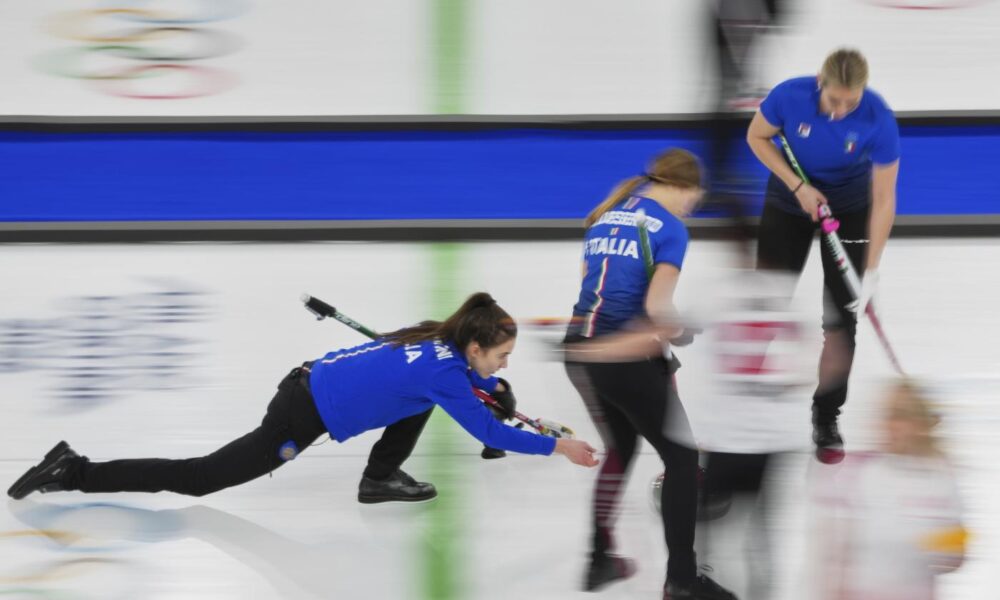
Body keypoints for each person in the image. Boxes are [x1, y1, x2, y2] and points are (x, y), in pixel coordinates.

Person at [7, 292, 599, 502]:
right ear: (473, 347)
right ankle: (75, 471)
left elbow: (469, 387)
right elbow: (489, 430)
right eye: (500, 356)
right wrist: (558, 449)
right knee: (199, 477)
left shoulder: (435, 336)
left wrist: (492, 386)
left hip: (309, 379)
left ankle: (379, 478)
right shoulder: (447, 375)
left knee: (419, 400)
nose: (504, 365)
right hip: (301, 412)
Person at [563, 148, 738, 600]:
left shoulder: (606, 216)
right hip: (621, 356)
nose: (692, 208)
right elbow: (657, 308)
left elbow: (591, 285)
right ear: (683, 187)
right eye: (694, 199)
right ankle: (682, 580)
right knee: (682, 460)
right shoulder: (671, 228)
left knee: (621, 446)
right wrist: (682, 328)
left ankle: (598, 559)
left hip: (579, 348)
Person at [745, 48, 901, 463]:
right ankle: (748, 401)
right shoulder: (789, 96)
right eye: (834, 100)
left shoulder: (879, 117)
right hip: (788, 204)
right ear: (820, 81)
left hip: (849, 210)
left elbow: (885, 199)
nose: (840, 111)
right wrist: (798, 187)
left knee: (840, 321)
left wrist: (872, 269)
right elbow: (756, 137)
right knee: (766, 308)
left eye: (851, 102)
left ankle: (827, 416)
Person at [810, 380, 966, 600]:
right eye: (887, 415)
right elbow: (831, 551)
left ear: (921, 425)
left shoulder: (940, 475)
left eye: (901, 416)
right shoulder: (855, 470)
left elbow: (955, 556)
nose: (890, 425)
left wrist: (939, 548)